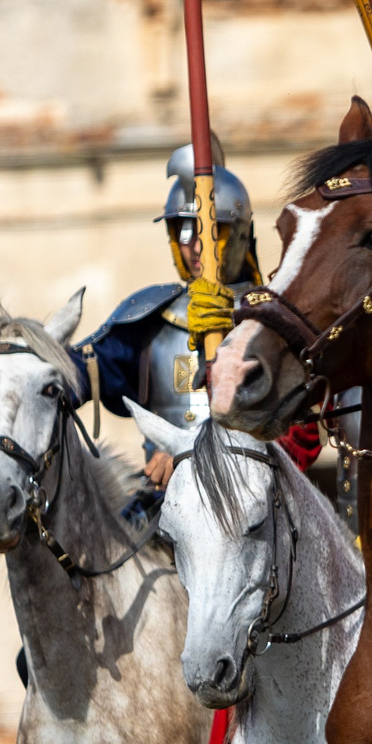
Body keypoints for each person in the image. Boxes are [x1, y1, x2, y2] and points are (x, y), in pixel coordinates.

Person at [76, 141, 320, 487]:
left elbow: (300, 441)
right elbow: (71, 372)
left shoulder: (275, 319)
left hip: (256, 510)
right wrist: (2, 341)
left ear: (237, 235)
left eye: (208, 228)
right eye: (181, 230)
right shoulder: (150, 316)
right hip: (165, 506)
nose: (193, 243)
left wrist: (191, 454)